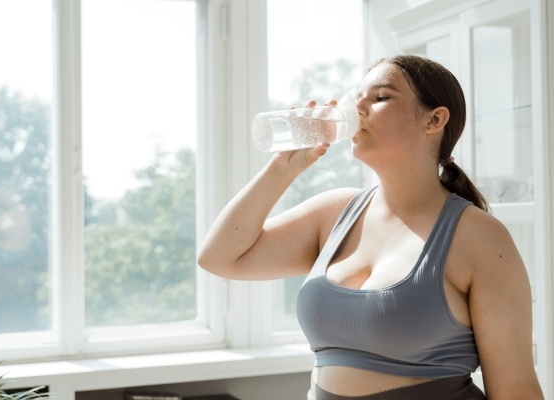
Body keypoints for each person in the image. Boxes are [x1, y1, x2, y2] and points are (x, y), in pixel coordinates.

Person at [197, 54, 544, 399]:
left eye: (380, 98)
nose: (358, 109)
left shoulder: (477, 236)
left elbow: (516, 389)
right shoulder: (334, 212)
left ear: (434, 120)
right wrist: (282, 167)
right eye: (356, 98)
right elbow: (220, 258)